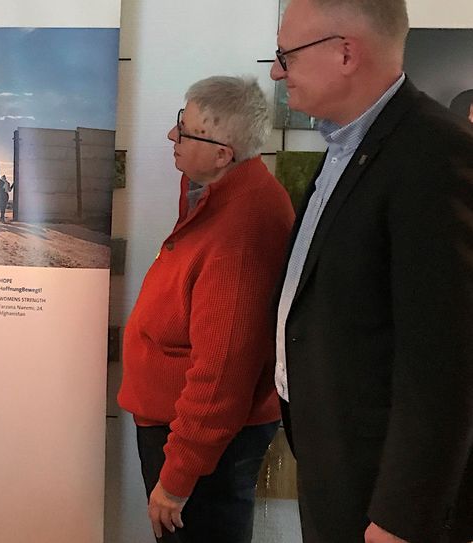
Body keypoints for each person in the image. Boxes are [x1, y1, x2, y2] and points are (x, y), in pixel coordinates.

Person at [271, 1, 473, 541]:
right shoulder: (347, 147)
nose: (275, 70)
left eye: (285, 54)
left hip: (380, 496)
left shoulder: (435, 153)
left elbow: (445, 360)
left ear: (345, 53)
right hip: (336, 464)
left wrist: (401, 517)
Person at [117, 76, 294, 543]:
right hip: (184, 427)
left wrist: (177, 481)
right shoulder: (217, 188)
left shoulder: (242, 228)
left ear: (222, 153)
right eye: (180, 122)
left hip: (199, 439)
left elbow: (222, 374)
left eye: (186, 130)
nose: (172, 136)